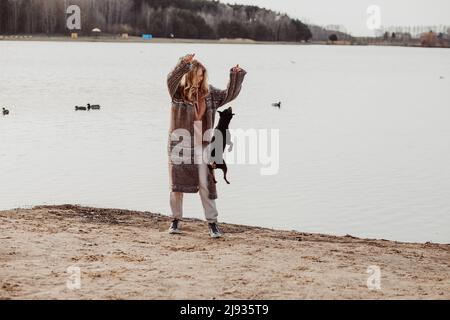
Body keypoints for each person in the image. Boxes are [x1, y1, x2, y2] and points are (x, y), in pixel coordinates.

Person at [166, 53, 247, 238]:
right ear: (190, 75)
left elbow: (229, 94)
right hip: (180, 143)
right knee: (177, 186)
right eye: (198, 75)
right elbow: (171, 78)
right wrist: (183, 63)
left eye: (203, 75)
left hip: (203, 144)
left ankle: (213, 224)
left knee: (206, 184)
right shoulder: (177, 92)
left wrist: (235, 75)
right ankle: (175, 221)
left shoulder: (210, 94)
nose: (201, 78)